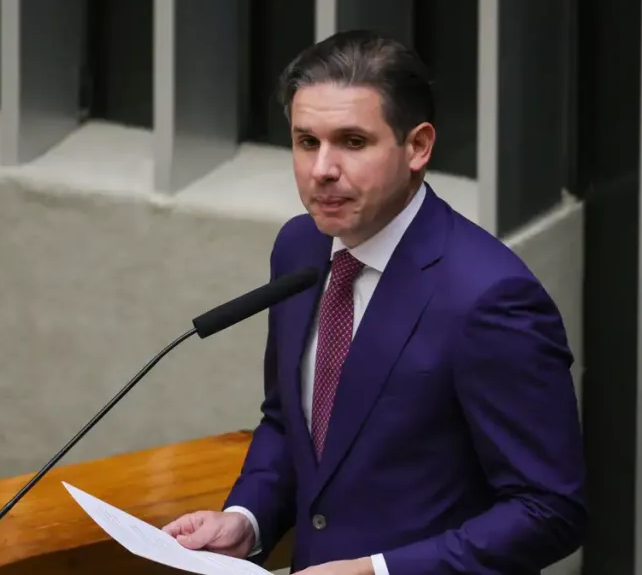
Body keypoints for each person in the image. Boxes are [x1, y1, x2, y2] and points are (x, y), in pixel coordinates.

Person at [162, 30, 586, 574]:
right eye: (307, 142)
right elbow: (292, 424)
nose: (322, 170)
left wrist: (379, 571)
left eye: (353, 142)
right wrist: (248, 518)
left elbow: (550, 510)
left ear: (418, 147)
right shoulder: (300, 247)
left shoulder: (490, 298)